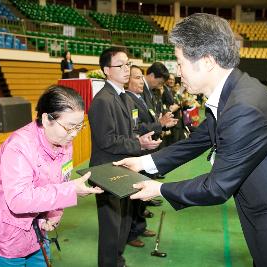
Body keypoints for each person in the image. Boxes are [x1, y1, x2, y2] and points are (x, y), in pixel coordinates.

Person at [114, 13, 267, 266]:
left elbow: (217, 187)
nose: (177, 71)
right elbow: (197, 140)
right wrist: (144, 162)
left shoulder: (244, 106)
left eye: (180, 61)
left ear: (207, 61)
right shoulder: (235, 91)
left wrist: (159, 189)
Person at [0, 85, 103, 266]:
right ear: (46, 119)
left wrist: (54, 216)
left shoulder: (64, 142)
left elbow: (61, 180)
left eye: (79, 126)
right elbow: (19, 199)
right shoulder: (20, 146)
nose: (75, 134)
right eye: (69, 127)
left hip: (36, 227)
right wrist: (70, 190)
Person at [88, 47, 161, 267]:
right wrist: (138, 143)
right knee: (111, 227)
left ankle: (117, 260)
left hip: (123, 168)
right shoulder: (103, 100)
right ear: (106, 70)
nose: (127, 69)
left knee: (124, 220)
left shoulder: (125, 98)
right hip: (106, 172)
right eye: (120, 65)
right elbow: (106, 140)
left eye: (128, 64)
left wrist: (142, 138)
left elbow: (131, 131)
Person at [125, 65, 177, 248]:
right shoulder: (127, 99)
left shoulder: (142, 96)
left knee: (141, 197)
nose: (141, 81)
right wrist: (159, 124)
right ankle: (132, 233)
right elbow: (136, 129)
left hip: (145, 150)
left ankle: (139, 227)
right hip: (137, 152)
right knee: (135, 197)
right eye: (137, 78)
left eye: (141, 77)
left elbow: (148, 121)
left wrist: (161, 124)